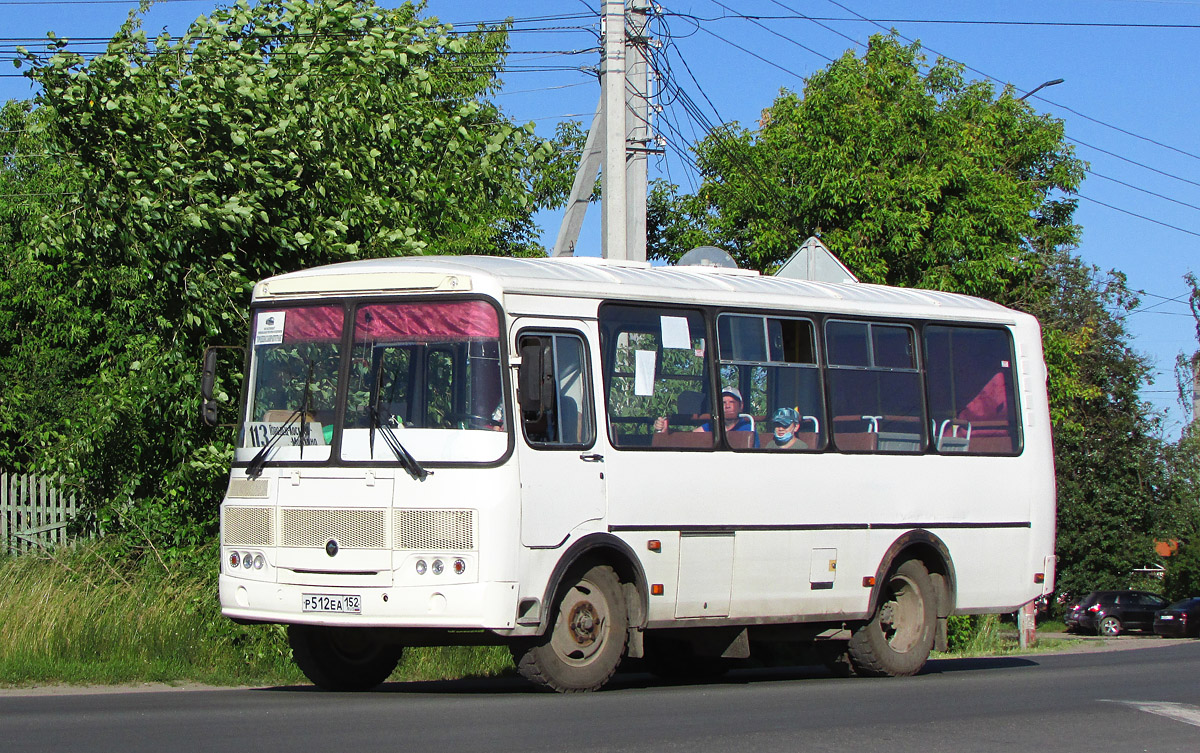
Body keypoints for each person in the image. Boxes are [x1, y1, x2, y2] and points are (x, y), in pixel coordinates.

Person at [654, 387, 759, 447]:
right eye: (723, 402)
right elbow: (690, 437)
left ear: (741, 406)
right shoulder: (711, 426)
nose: (727, 406)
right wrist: (666, 430)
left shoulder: (748, 428)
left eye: (732, 402)